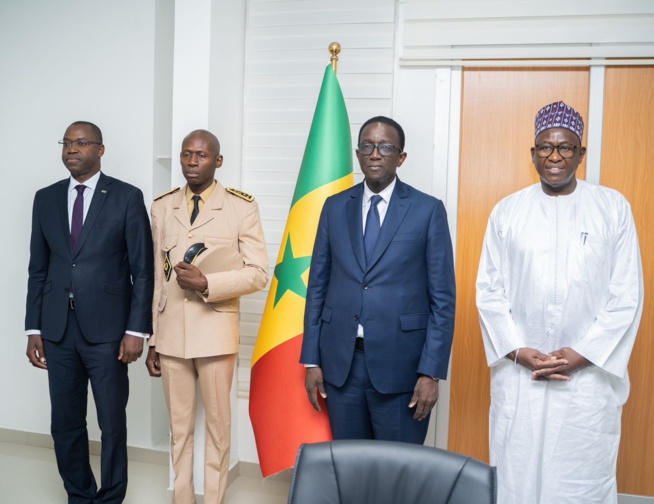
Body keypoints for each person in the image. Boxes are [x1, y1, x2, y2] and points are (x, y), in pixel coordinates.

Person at [476, 101, 644, 504]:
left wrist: (581, 355)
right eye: (546, 147)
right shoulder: (508, 211)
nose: (555, 157)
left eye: (566, 147)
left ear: (580, 153)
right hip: (521, 380)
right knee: (515, 479)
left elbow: (626, 296)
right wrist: (518, 352)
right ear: (533, 153)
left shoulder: (612, 208)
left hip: (586, 383)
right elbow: (489, 292)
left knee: (579, 482)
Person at [301, 116, 456, 443]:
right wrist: (312, 359)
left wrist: (431, 372)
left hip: (403, 368)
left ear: (401, 157)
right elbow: (317, 287)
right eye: (367, 146)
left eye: (385, 146)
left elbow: (443, 301)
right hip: (341, 366)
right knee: (349, 466)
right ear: (357, 154)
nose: (375, 153)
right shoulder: (334, 207)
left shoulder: (427, 210)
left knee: (398, 473)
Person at [25, 121, 154, 503]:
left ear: (100, 150)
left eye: (81, 143)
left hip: (110, 332)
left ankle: (111, 497)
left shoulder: (126, 197)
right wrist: (33, 328)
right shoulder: (45, 198)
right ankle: (79, 496)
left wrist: (137, 330)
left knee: (112, 424)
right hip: (57, 331)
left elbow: (143, 269)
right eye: (66, 143)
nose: (71, 149)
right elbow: (38, 268)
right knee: (64, 423)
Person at [146, 129, 268, 504]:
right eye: (186, 155)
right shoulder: (163, 206)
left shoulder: (240, 207)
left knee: (218, 431)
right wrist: (153, 337)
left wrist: (207, 282)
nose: (191, 162)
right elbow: (156, 277)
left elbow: (259, 272)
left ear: (218, 161)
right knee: (179, 430)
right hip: (171, 336)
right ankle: (181, 499)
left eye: (201, 155)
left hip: (214, 331)